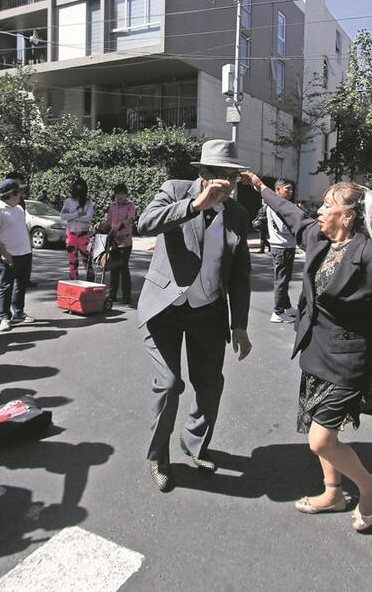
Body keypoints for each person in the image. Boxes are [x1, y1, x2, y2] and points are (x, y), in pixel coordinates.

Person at [244, 172, 372, 532]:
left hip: (348, 361)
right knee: (324, 434)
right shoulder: (319, 238)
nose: (318, 211)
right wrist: (262, 189)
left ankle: (371, 487)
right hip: (315, 352)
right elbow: (291, 214)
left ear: (347, 216)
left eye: (327, 206)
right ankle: (333, 493)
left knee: (320, 440)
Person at [136, 139, 253, 492]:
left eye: (233, 177)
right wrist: (194, 205)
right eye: (220, 175)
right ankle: (158, 456)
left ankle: (195, 444)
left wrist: (240, 325)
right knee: (169, 384)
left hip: (208, 311)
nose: (227, 183)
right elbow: (145, 223)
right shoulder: (175, 191)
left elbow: (240, 273)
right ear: (202, 173)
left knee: (210, 384)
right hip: (165, 309)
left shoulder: (237, 214)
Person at [0, 179, 36, 332]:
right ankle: (5, 317)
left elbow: (22, 229)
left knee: (21, 285)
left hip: (25, 253)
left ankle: (19, 313)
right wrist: (4, 253)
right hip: (10, 255)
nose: (21, 195)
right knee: (6, 286)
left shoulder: (19, 208)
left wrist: (29, 247)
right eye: (19, 192)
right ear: (11, 194)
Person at [265, 178, 301, 323]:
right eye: (287, 189)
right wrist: (298, 223)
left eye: (291, 189)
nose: (291, 192)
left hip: (285, 246)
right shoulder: (276, 205)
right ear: (278, 189)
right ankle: (278, 312)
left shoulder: (281, 204)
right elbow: (283, 228)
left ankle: (286, 306)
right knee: (281, 281)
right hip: (282, 247)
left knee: (285, 280)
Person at [104, 182, 136, 305]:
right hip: (114, 242)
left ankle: (126, 296)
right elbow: (109, 222)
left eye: (122, 194)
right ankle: (112, 294)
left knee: (123, 269)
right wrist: (100, 226)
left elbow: (130, 220)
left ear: (126, 195)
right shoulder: (113, 206)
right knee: (114, 269)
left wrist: (120, 226)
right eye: (118, 194)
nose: (120, 196)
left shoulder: (130, 206)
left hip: (125, 242)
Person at [61, 177, 95, 281]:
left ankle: (90, 284)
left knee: (87, 262)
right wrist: (78, 214)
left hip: (83, 235)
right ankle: (74, 284)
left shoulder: (88, 202)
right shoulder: (68, 202)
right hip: (71, 235)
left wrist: (72, 217)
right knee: (72, 263)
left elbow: (88, 218)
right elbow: (63, 216)